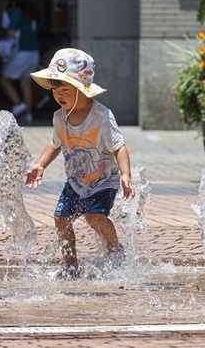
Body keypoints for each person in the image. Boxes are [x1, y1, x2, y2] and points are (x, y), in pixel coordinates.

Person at [25, 48, 135, 279]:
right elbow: (55, 143)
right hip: (75, 181)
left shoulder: (102, 117)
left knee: (94, 216)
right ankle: (70, 265)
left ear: (83, 90)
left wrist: (125, 174)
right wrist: (40, 165)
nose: (59, 95)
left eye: (65, 89)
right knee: (60, 218)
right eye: (56, 90)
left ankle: (115, 250)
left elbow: (119, 145)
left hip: (104, 180)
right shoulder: (59, 117)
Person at [0, 0, 40, 125]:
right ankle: (28, 114)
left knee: (4, 80)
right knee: (25, 83)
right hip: (35, 53)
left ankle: (18, 104)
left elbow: (11, 32)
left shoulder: (18, 12)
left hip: (22, 52)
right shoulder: (33, 14)